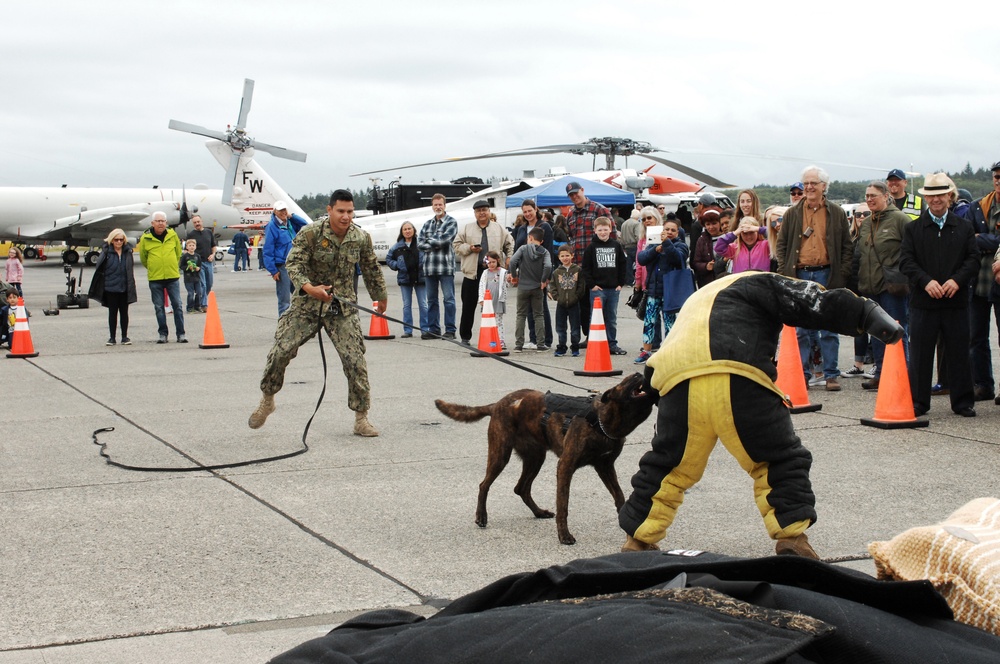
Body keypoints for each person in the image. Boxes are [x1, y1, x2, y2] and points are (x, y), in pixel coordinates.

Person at [619, 271, 904, 557]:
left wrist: (654, 393)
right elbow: (811, 300)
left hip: (678, 383)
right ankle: (792, 538)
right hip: (741, 376)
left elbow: (665, 354)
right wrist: (866, 313)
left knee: (667, 466)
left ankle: (638, 539)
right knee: (777, 460)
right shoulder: (759, 280)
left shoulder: (695, 300)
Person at [249, 190, 388, 437]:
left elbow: (370, 267)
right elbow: (294, 263)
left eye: (350, 211)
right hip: (307, 306)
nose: (346, 217)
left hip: (341, 308)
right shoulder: (311, 233)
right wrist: (308, 287)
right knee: (281, 351)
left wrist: (380, 296)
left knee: (355, 361)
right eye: (341, 211)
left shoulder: (359, 237)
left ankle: (361, 417)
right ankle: (267, 399)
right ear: (329, 210)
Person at [899, 173, 979, 418]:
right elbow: (906, 262)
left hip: (955, 302)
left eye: (941, 195)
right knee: (921, 353)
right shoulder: (913, 228)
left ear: (950, 196)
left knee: (958, 353)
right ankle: (918, 402)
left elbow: (973, 259)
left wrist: (957, 280)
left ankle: (963, 402)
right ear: (926, 198)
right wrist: (926, 282)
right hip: (924, 302)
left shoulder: (964, 227)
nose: (936, 200)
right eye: (931, 195)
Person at [775, 165, 853, 392]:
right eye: (806, 183)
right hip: (799, 275)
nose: (808, 187)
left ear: (824, 187)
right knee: (801, 330)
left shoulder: (836, 212)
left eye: (813, 183)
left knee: (829, 328)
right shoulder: (792, 213)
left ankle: (831, 375)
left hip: (827, 274)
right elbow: (782, 245)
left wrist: (842, 274)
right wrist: (784, 272)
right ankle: (803, 375)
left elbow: (847, 247)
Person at [855, 182, 909, 390]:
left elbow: (911, 251)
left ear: (886, 196)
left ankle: (901, 375)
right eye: (867, 196)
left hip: (892, 288)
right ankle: (881, 372)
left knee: (895, 332)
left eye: (873, 196)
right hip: (870, 287)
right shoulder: (867, 223)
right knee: (876, 333)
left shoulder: (900, 220)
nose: (869, 199)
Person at [963, 160, 1000, 402]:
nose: (998, 180)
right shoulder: (978, 207)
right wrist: (992, 240)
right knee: (976, 337)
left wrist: (982, 239)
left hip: (997, 279)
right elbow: (967, 239)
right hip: (978, 281)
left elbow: (981, 240)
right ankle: (983, 385)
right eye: (996, 176)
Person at [455, 199, 513, 346]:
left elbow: (509, 242)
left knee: (493, 306)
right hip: (472, 273)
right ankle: (465, 337)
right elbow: (456, 245)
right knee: (468, 305)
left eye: (484, 210)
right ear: (475, 213)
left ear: (489, 211)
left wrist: (509, 257)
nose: (482, 213)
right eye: (479, 210)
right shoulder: (467, 228)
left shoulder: (498, 228)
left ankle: (494, 337)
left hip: (492, 274)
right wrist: (469, 248)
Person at [635, 218, 689, 364]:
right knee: (649, 321)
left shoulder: (681, 245)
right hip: (653, 290)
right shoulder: (654, 243)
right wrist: (655, 249)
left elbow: (678, 258)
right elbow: (641, 259)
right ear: (662, 230)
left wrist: (666, 243)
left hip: (670, 291)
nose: (669, 232)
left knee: (670, 322)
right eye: (667, 229)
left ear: (678, 232)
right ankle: (646, 351)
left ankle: (670, 351)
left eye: (673, 230)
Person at [566, 182, 614, 338]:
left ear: (582, 190)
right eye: (571, 195)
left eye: (576, 193)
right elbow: (571, 239)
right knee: (584, 305)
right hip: (579, 267)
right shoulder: (570, 214)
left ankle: (606, 337)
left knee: (601, 305)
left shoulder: (599, 210)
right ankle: (589, 336)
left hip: (598, 267)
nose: (574, 197)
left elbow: (612, 237)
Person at [582, 216, 628, 356]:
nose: (603, 232)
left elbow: (622, 264)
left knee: (611, 318)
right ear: (595, 230)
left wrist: (620, 283)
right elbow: (586, 268)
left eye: (605, 229)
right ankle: (595, 343)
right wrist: (592, 285)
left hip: (613, 289)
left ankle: (612, 344)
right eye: (600, 230)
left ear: (610, 230)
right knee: (596, 317)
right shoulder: (591, 248)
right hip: (598, 289)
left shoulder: (616, 245)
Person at [138, 211, 186, 343]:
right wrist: (154, 267)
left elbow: (178, 253)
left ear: (166, 223)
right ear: (152, 223)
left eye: (163, 221)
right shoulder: (145, 238)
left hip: (172, 276)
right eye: (158, 221)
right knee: (159, 307)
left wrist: (171, 266)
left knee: (178, 305)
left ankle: (181, 334)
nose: (160, 223)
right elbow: (143, 258)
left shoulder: (173, 235)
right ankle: (163, 333)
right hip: (155, 278)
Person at [513, 199, 553, 348]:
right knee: (527, 308)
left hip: (539, 273)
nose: (528, 214)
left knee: (541, 308)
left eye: (530, 210)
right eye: (525, 212)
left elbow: (548, 250)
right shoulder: (521, 229)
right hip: (525, 273)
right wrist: (514, 272)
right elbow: (517, 249)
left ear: (536, 209)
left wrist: (547, 275)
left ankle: (545, 339)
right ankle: (533, 338)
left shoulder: (545, 227)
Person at [87, 228, 138, 346]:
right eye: (116, 240)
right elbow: (99, 269)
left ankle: (125, 336)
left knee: (124, 313)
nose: (119, 242)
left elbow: (130, 270)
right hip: (111, 287)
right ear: (112, 240)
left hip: (125, 287)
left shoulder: (128, 252)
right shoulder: (106, 252)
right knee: (112, 313)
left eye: (121, 240)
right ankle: (112, 337)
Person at [418, 193, 458, 340]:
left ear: (445, 205)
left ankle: (450, 330)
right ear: (432, 206)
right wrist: (434, 242)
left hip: (445, 267)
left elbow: (446, 240)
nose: (438, 207)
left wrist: (430, 242)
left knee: (449, 299)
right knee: (431, 300)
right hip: (429, 268)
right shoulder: (427, 224)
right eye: (435, 205)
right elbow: (420, 243)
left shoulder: (451, 222)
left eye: (440, 204)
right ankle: (433, 329)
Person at [263, 201, 309, 317]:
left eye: (285, 210)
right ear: (274, 212)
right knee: (284, 301)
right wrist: (273, 270)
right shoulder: (272, 226)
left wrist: (292, 216)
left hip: (295, 264)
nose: (283, 213)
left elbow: (305, 225)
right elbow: (268, 249)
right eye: (280, 210)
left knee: (302, 295)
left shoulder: (290, 223)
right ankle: (283, 327)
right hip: (282, 266)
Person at [385, 221, 428, 338]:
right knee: (406, 305)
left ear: (414, 230)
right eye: (405, 229)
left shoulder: (421, 244)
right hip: (405, 279)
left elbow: (429, 255)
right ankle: (408, 330)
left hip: (420, 278)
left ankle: (425, 329)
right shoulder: (397, 247)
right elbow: (388, 259)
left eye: (409, 228)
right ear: (402, 232)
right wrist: (398, 265)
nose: (407, 231)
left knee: (423, 304)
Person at [548, 245, 586, 357]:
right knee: (560, 327)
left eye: (567, 255)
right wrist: (557, 297)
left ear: (572, 256)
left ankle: (575, 346)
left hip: (574, 303)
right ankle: (561, 347)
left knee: (575, 327)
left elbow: (581, 286)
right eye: (562, 256)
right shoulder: (556, 272)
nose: (565, 258)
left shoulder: (578, 270)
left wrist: (576, 297)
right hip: (561, 303)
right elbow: (552, 286)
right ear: (559, 257)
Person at [185, 215, 217, 313]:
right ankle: (204, 304)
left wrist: (213, 254)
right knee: (202, 284)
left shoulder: (208, 232)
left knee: (209, 283)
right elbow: (188, 249)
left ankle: (198, 302)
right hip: (199, 263)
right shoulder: (191, 234)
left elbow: (213, 246)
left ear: (202, 221)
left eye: (198, 221)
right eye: (195, 222)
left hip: (209, 262)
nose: (197, 224)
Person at [478, 250, 509, 349]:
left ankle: (500, 340)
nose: (491, 265)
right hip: (488, 302)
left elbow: (506, 285)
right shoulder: (485, 273)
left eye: (493, 262)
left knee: (498, 321)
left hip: (498, 300)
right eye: (489, 263)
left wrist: (508, 280)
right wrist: (481, 299)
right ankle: (490, 340)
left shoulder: (503, 272)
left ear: (498, 260)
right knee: (488, 322)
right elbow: (482, 285)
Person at [691, 208, 724, 287]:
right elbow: (696, 262)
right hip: (709, 281)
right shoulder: (702, 240)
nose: (711, 227)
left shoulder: (728, 237)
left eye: (714, 223)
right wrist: (706, 266)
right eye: (708, 224)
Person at [620, 209, 643, 286]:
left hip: (626, 246)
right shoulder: (636, 223)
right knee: (638, 264)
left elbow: (621, 236)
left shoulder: (624, 223)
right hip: (634, 246)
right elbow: (638, 236)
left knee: (628, 266)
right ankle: (637, 280)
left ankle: (629, 281)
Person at [180, 239, 203, 313]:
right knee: (190, 293)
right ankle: (189, 307)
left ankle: (197, 306)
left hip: (197, 278)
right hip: (188, 278)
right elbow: (181, 266)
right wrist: (187, 268)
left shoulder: (197, 256)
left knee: (199, 292)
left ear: (195, 247)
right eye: (190, 245)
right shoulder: (185, 256)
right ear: (187, 247)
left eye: (193, 245)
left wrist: (198, 268)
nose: (191, 247)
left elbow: (200, 265)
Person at [763, 205, 787, 272]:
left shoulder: (797, 237)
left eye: (780, 220)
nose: (777, 224)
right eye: (773, 223)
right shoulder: (775, 244)